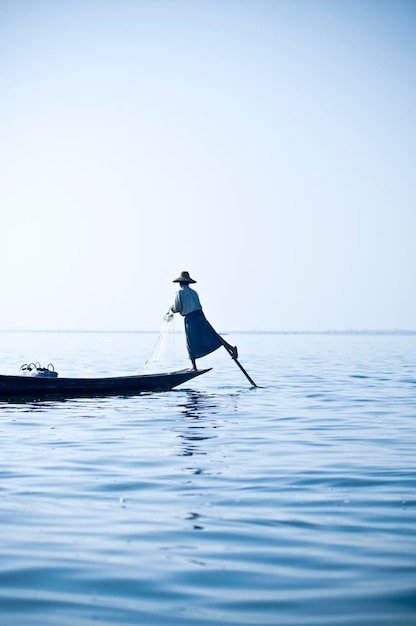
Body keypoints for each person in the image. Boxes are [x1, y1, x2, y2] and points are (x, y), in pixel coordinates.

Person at [170, 271, 238, 371]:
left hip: (191, 319)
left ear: (180, 283)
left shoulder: (179, 293)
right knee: (213, 335)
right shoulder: (194, 292)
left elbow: (178, 307)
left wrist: (172, 309)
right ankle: (231, 348)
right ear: (188, 282)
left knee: (190, 342)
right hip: (200, 315)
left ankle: (194, 366)